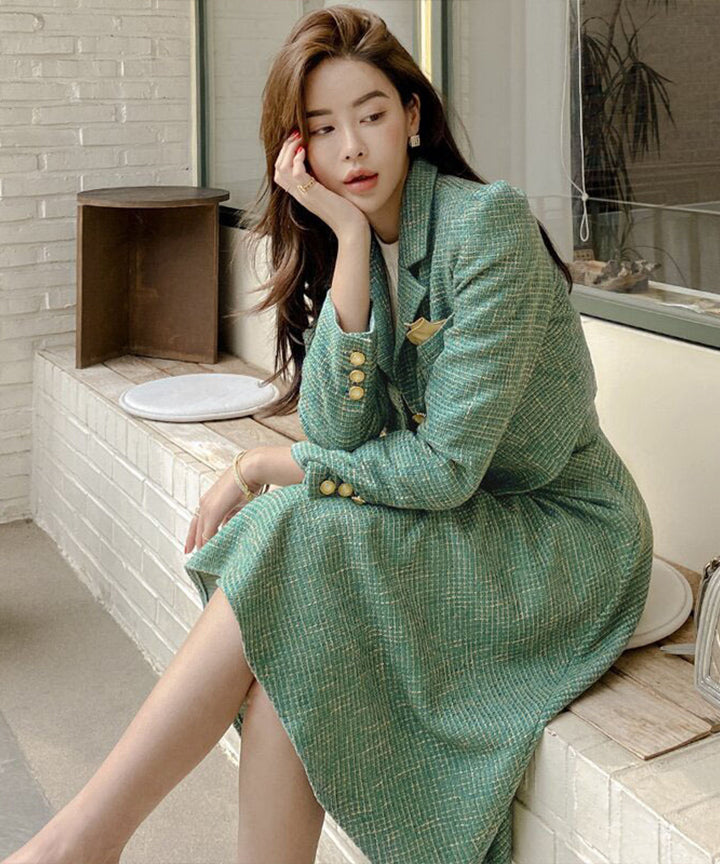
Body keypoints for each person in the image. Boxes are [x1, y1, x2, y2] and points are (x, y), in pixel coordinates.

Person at [2, 5, 654, 864]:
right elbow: (338, 430)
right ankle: (86, 844)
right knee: (295, 641)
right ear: (297, 148)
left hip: (554, 532)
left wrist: (263, 464)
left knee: (290, 531)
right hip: (453, 517)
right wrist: (346, 238)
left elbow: (445, 468)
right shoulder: (357, 237)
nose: (352, 148)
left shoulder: (483, 226)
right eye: (322, 129)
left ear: (412, 117)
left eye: (371, 115)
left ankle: (81, 843)